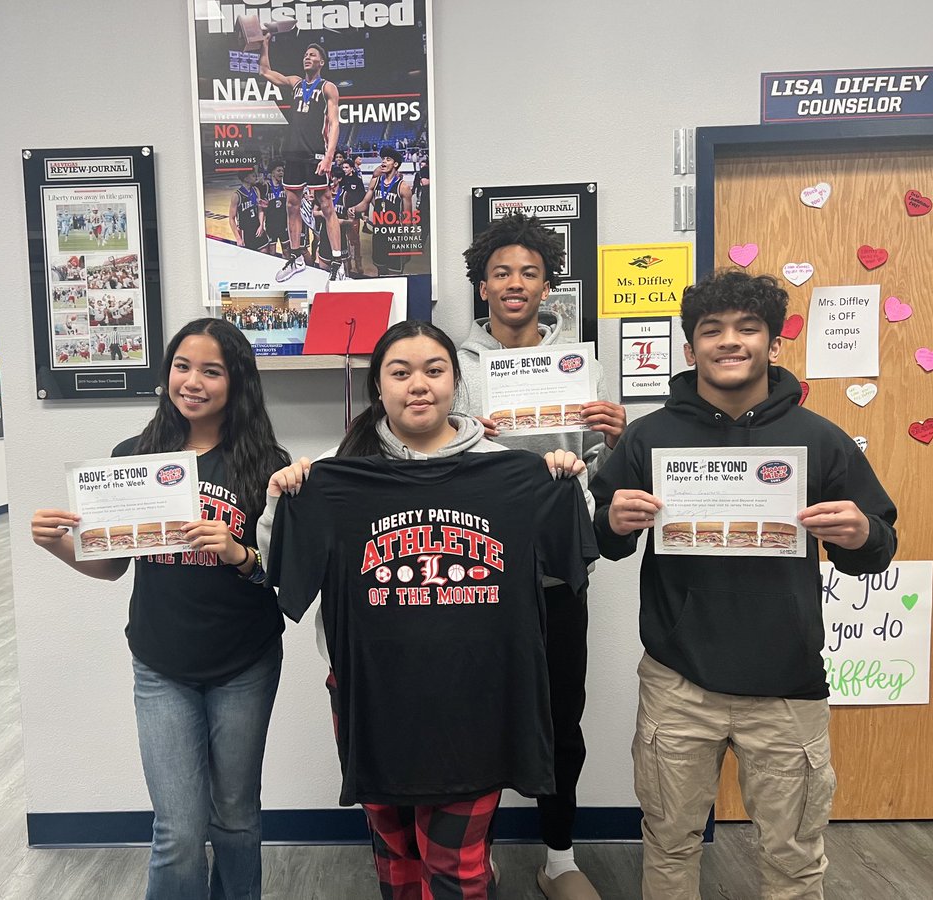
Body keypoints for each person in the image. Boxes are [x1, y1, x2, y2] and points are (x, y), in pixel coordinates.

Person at [261, 321, 598, 900]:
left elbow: (576, 559)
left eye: (434, 370)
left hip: (476, 694)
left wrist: (571, 486)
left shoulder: (510, 470)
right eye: (400, 372)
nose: (419, 385)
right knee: (395, 852)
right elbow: (285, 571)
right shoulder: (338, 474)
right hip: (372, 693)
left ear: (455, 382)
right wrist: (282, 500)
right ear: (379, 387)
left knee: (459, 862)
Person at [589, 270, 898, 900]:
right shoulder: (652, 436)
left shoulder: (819, 438)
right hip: (679, 683)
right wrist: (613, 522)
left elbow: (879, 547)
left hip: (787, 688)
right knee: (670, 843)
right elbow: (602, 537)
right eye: (712, 330)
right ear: (689, 349)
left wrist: (861, 532)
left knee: (794, 859)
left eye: (747, 328)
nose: (730, 342)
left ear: (774, 345)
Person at [30, 319, 291, 900]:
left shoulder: (267, 463)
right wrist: (60, 545)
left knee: (237, 819)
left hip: (244, 663)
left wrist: (238, 553)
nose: (192, 381)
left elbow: (283, 577)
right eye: (181, 366)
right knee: (177, 828)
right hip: (161, 664)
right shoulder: (133, 457)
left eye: (211, 370)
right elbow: (111, 566)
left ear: (237, 382)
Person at [456, 211, 625, 900]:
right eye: (501, 273)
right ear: (483, 285)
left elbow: (599, 474)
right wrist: (472, 435)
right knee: (474, 718)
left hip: (558, 574)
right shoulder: (455, 363)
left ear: (548, 283)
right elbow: (430, 455)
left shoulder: (580, 362)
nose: (515, 283)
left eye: (528, 272)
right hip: (477, 573)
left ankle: (558, 857)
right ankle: (473, 852)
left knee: (562, 719)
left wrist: (613, 437)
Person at [258, 37, 347, 282]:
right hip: (293, 154)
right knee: (291, 205)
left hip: (316, 154)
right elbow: (264, 70)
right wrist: (265, 44)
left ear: (321, 62)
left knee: (327, 205)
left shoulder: (327, 87)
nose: (307, 57)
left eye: (312, 55)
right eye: (305, 55)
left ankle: (338, 263)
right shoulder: (295, 83)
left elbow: (335, 123)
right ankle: (296, 257)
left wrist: (329, 156)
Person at [348, 146, 414, 277]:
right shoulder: (375, 182)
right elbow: (365, 203)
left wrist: (407, 240)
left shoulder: (403, 187)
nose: (383, 162)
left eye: (388, 159)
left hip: (395, 235)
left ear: (395, 164)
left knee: (395, 274)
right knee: (380, 271)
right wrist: (354, 208)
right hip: (378, 234)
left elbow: (408, 217)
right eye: (383, 159)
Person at [229, 169, 268, 252]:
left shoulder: (256, 190)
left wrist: (261, 225)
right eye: (253, 175)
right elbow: (231, 219)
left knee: (265, 255)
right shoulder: (237, 195)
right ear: (246, 178)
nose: (255, 176)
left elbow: (260, 210)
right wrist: (238, 238)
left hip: (258, 229)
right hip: (246, 232)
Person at [261, 161, 290, 257]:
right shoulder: (265, 187)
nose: (281, 173)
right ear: (272, 172)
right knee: (272, 252)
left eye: (282, 171)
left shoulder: (285, 187)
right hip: (271, 224)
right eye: (278, 170)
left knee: (286, 251)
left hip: (283, 223)